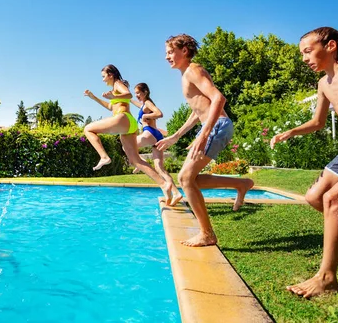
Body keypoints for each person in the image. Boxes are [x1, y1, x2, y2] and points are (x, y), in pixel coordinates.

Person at [270, 27, 338, 298]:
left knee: (334, 199)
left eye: (307, 51)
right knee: (315, 197)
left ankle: (327, 278)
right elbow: (317, 122)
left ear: (330, 47)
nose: (304, 58)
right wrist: (291, 131)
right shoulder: (324, 83)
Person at [155, 34, 254, 247]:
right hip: (215, 126)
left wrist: (205, 133)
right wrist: (175, 136)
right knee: (191, 180)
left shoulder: (193, 70)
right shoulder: (186, 75)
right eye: (166, 53)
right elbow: (196, 111)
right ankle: (241, 183)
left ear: (184, 50)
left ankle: (207, 234)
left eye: (170, 52)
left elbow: (219, 98)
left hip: (217, 126)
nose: (167, 57)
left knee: (184, 178)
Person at [84, 64, 175, 204]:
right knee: (135, 160)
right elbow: (110, 106)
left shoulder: (118, 84)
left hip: (123, 118)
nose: (102, 80)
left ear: (111, 75)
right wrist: (93, 97)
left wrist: (113, 95)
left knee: (88, 129)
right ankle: (164, 184)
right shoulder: (114, 89)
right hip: (129, 124)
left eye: (103, 76)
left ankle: (104, 156)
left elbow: (129, 94)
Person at [130, 83, 183, 206]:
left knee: (126, 146)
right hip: (157, 136)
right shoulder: (144, 104)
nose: (136, 95)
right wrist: (128, 99)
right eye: (135, 93)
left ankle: (139, 162)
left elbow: (159, 113)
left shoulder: (148, 103)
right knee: (160, 168)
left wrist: (145, 116)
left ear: (145, 92)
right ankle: (176, 193)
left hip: (150, 133)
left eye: (138, 93)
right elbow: (138, 105)